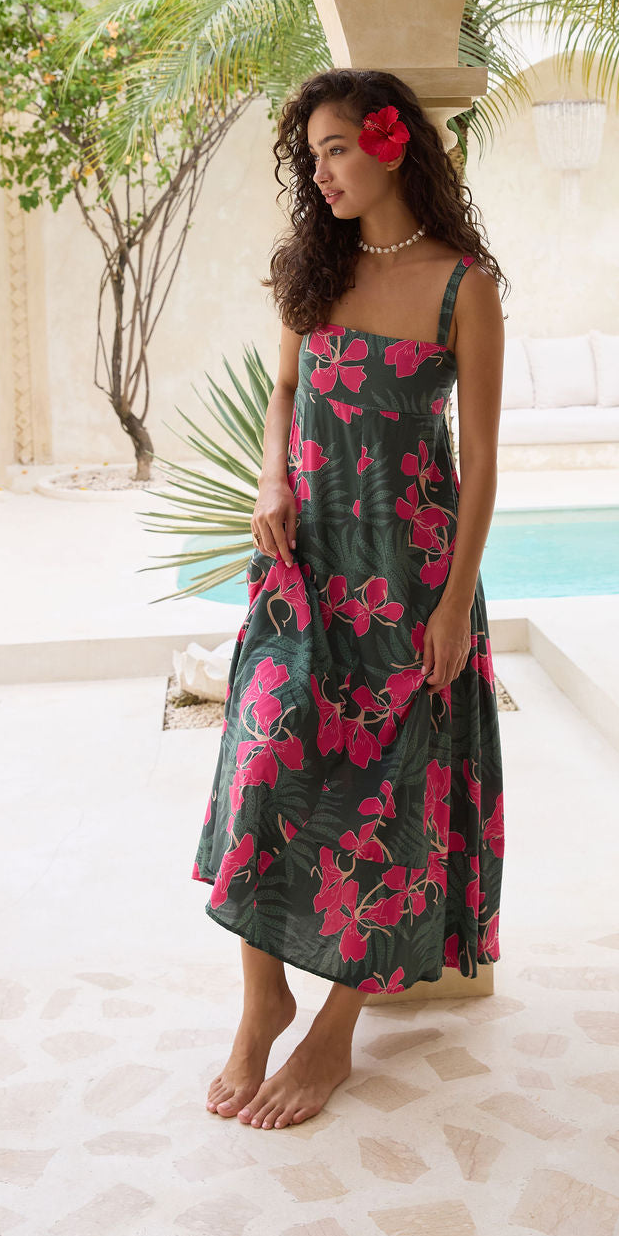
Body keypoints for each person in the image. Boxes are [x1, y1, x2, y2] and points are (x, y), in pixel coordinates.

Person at [192, 67, 507, 1131]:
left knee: (392, 798)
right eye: (312, 154)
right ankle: (259, 996)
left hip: (413, 574)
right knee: (264, 755)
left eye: (334, 148)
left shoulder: (465, 286)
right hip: (308, 567)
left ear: (388, 143)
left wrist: (456, 605)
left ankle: (335, 1023)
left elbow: (485, 460)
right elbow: (284, 389)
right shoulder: (310, 270)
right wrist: (270, 476)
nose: (319, 171)